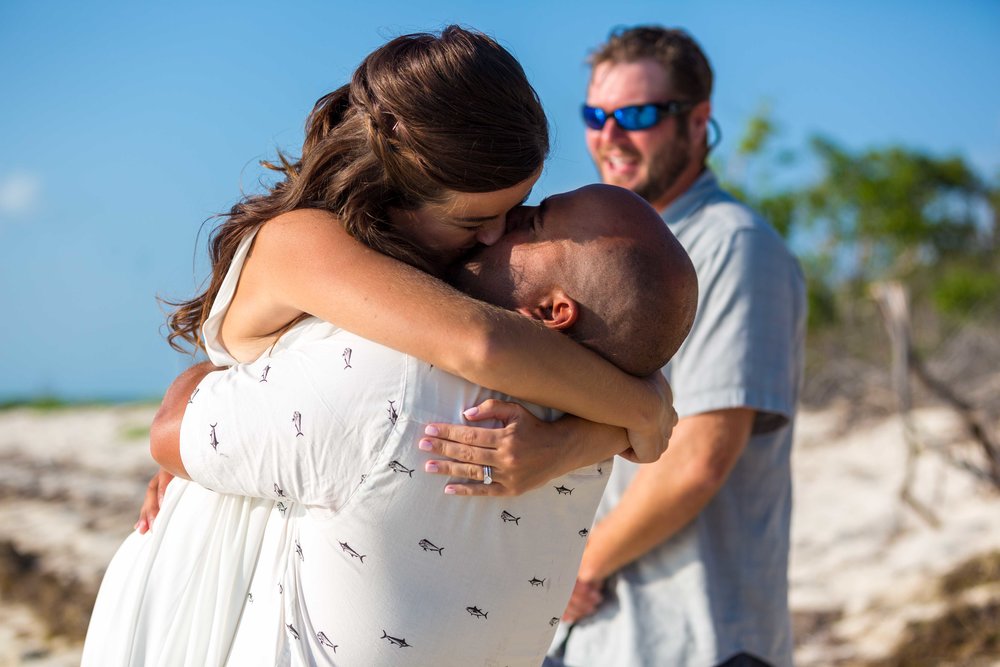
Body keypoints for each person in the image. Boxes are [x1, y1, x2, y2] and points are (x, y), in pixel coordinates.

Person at [82, 25, 685, 666]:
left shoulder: (421, 317)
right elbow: (477, 342)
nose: (495, 238)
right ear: (402, 191)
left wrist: (609, 425)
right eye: (478, 220)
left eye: (518, 213)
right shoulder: (305, 243)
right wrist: (640, 410)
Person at [534, 26, 806, 667]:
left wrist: (578, 564)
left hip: (700, 637)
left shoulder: (733, 246)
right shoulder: (609, 256)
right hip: (598, 639)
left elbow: (700, 458)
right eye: (595, 116)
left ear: (697, 121)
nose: (610, 136)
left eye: (637, 115)